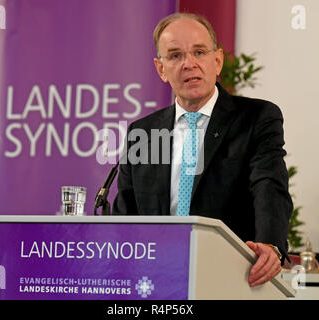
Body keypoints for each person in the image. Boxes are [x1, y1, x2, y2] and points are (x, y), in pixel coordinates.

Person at [112, 12, 293, 288]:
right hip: (155, 280)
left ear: (217, 60)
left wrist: (270, 243)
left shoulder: (256, 118)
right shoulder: (143, 133)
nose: (189, 64)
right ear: (161, 69)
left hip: (234, 278)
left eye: (199, 52)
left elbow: (268, 184)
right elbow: (125, 214)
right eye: (175, 56)